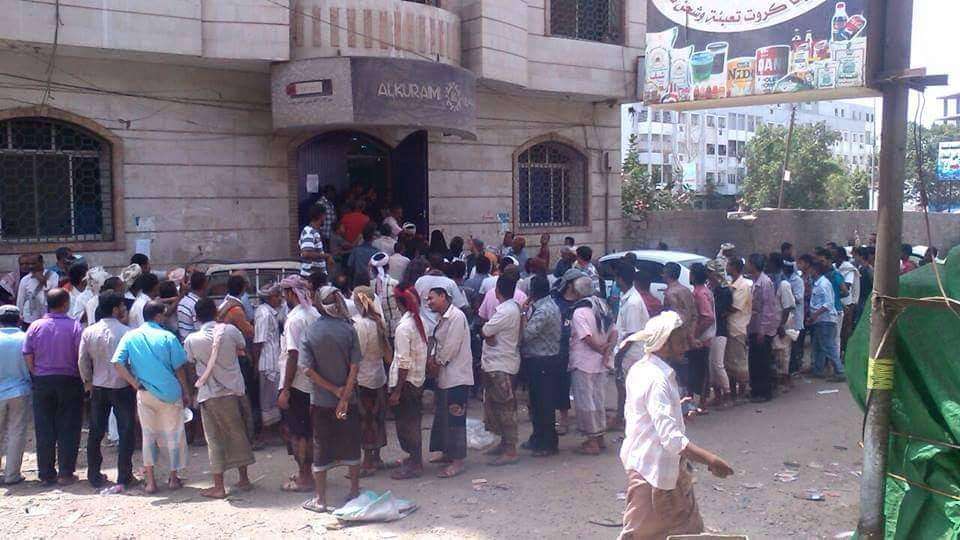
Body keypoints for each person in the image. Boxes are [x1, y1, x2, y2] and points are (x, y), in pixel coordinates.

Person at [616, 311, 734, 540]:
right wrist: (710, 459)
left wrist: (676, 409)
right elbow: (671, 439)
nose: (686, 346)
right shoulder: (657, 380)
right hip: (654, 472)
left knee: (688, 530)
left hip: (659, 468)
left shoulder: (642, 369)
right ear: (663, 343)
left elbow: (646, 414)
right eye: (680, 341)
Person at [111, 301, 191, 494]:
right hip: (170, 392)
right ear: (159, 316)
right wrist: (186, 391)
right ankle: (173, 478)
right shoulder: (168, 337)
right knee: (174, 434)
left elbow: (117, 362)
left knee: (148, 436)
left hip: (144, 392)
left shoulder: (130, 336)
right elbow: (180, 368)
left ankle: (151, 482)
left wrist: (134, 383)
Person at [299, 287, 362, 513]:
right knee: (351, 442)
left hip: (322, 401)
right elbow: (355, 366)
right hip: (349, 400)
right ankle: (354, 491)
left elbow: (307, 369)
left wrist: (334, 390)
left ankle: (321, 499)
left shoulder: (310, 332)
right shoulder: (349, 329)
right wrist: (344, 395)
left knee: (321, 446)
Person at [184, 298, 255, 499]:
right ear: (216, 312)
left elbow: (190, 362)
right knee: (238, 434)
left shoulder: (191, 340)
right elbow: (242, 346)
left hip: (209, 394)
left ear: (196, 317)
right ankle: (244, 478)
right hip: (234, 391)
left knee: (214, 439)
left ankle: (219, 486)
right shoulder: (230, 331)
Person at [22, 289, 84, 486]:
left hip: (42, 381)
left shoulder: (35, 326)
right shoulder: (75, 327)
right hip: (69, 380)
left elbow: (27, 353)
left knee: (44, 428)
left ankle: (46, 473)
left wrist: (35, 372)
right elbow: (80, 356)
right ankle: (66, 473)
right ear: (65, 304)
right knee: (69, 427)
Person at [78, 292, 137, 488]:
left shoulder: (89, 332)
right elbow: (132, 362)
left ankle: (94, 475)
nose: (124, 309)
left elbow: (82, 361)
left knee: (95, 432)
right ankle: (125, 475)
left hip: (98, 386)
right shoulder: (126, 332)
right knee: (126, 431)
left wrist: (87, 381)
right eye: (122, 306)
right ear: (115, 309)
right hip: (122, 386)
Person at [426, 286, 474, 477]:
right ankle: (447, 452)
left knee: (455, 418)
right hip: (445, 376)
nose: (429, 303)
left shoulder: (456, 317)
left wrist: (436, 363)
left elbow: (451, 347)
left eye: (431, 298)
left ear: (443, 296)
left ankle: (457, 461)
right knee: (443, 417)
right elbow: (438, 343)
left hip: (457, 376)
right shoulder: (442, 318)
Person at [277, 276, 318, 493]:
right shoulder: (314, 314)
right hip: (313, 382)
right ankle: (307, 473)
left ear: (291, 293)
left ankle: (305, 477)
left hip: (297, 384)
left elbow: (293, 355)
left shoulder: (295, 320)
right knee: (308, 431)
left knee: (298, 433)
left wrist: (285, 389)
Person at [568, 276, 616, 455]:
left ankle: (592, 441)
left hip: (584, 361)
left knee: (585, 401)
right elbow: (614, 331)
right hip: (600, 362)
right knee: (598, 399)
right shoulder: (602, 306)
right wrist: (606, 352)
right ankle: (599, 438)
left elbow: (586, 338)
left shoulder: (579, 312)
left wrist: (600, 350)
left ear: (577, 292)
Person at [386, 286, 428, 480]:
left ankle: (415, 463)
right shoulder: (419, 322)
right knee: (413, 421)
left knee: (406, 424)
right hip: (416, 380)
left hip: (406, 383)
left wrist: (397, 391)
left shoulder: (404, 328)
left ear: (398, 303)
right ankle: (414, 459)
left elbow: (404, 362)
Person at [480, 275, 522, 466]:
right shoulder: (513, 308)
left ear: (497, 291)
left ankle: (510, 449)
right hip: (501, 362)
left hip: (501, 364)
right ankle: (505, 443)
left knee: (505, 408)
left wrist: (488, 335)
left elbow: (486, 331)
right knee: (498, 406)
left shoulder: (505, 311)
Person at [519, 275, 562, 457]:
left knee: (543, 404)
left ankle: (548, 443)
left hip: (542, 360)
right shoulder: (546, 305)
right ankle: (538, 438)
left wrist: (523, 314)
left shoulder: (544, 310)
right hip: (542, 359)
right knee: (537, 403)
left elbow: (526, 335)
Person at [351, 286, 391, 477]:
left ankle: (367, 462)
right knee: (376, 417)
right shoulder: (378, 321)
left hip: (364, 378)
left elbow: (357, 354)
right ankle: (376, 457)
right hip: (378, 375)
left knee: (365, 419)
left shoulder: (360, 325)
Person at [611, 263, 649, 431]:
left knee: (626, 388)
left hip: (631, 352)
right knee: (623, 387)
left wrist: (618, 356)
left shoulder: (633, 302)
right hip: (627, 350)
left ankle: (625, 419)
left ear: (620, 279)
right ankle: (621, 417)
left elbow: (631, 335)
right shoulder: (628, 297)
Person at [0, 305, 31, 485]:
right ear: (19, 319)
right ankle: (12, 475)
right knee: (16, 432)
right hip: (20, 390)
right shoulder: (25, 338)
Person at [745, 254, 778, 403]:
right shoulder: (755, 282)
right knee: (754, 360)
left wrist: (763, 330)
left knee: (762, 361)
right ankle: (756, 390)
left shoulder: (765, 282)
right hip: (754, 326)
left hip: (762, 328)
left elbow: (768, 308)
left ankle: (765, 391)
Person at [806, 261, 844, 381]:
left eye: (810, 269)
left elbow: (828, 303)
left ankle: (839, 371)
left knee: (828, 346)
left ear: (815, 270)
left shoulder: (823, 284)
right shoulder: (817, 283)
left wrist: (814, 315)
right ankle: (818, 369)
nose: (809, 271)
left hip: (825, 320)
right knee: (818, 345)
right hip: (820, 320)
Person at [253, 283, 283, 429]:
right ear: (269, 298)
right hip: (267, 362)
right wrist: (256, 363)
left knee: (271, 397)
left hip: (273, 360)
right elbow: (259, 341)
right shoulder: (264, 314)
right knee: (267, 400)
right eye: (277, 296)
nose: (280, 299)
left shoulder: (270, 312)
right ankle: (268, 429)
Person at [766, 255, 797, 391]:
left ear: (774, 265)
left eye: (769, 263)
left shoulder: (784, 284)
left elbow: (787, 307)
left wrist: (781, 325)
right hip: (774, 322)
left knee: (784, 353)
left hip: (783, 322)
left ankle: (786, 380)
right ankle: (779, 380)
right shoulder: (772, 281)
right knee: (776, 352)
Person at [688, 263, 716, 411]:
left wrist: (695, 334)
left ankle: (701, 403)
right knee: (699, 369)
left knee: (699, 369)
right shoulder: (704, 291)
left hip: (701, 338)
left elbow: (708, 317)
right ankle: (698, 401)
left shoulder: (700, 293)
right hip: (703, 337)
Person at [705, 259, 732, 408]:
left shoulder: (724, 291)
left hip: (720, 330)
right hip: (712, 330)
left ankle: (727, 394)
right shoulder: (711, 289)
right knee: (711, 365)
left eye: (710, 272)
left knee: (718, 364)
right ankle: (718, 395)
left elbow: (722, 311)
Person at [725, 258, 752, 401]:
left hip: (738, 327)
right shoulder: (732, 284)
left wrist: (721, 310)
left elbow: (734, 307)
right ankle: (734, 392)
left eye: (728, 265)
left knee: (739, 362)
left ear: (734, 267)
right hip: (731, 327)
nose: (726, 267)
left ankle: (741, 392)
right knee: (730, 362)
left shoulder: (743, 286)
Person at [16, 254, 57, 329]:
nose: (31, 266)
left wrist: (42, 280)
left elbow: (53, 293)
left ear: (42, 263)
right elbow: (20, 299)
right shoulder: (25, 279)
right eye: (29, 264)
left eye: (33, 263)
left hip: (46, 315)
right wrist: (19, 315)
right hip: (29, 317)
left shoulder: (52, 275)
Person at [833, 247, 860, 358]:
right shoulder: (834, 267)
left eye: (834, 254)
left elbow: (847, 286)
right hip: (834, 303)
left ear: (840, 256)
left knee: (845, 330)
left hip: (847, 303)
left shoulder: (849, 269)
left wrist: (834, 292)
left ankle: (845, 351)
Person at [300, 205, 329, 277]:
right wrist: (326, 256)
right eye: (325, 215)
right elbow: (306, 253)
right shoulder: (309, 232)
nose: (325, 218)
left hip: (317, 277)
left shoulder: (315, 232)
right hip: (311, 277)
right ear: (321, 216)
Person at [177, 271, 207, 341]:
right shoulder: (197, 304)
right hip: (194, 341)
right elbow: (200, 329)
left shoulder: (183, 301)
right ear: (204, 285)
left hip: (184, 339)